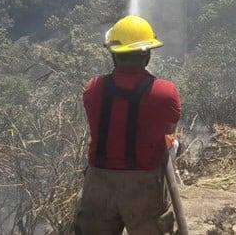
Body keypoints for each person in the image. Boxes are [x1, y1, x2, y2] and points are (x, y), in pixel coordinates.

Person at [75, 15, 181, 235]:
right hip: (144, 185)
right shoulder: (165, 92)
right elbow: (169, 131)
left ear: (114, 55)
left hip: (99, 184)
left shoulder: (93, 88)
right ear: (147, 53)